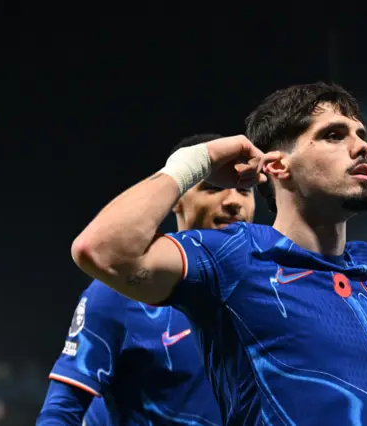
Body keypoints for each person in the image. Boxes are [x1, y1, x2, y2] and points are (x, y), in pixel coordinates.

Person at [71, 82, 367, 425]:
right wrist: (195, 161)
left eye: (361, 135)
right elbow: (102, 250)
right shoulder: (231, 256)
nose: (361, 146)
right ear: (278, 166)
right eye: (334, 135)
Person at [37, 134, 256, 425]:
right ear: (176, 200)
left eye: (244, 190)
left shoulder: (274, 289)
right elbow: (62, 412)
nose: (232, 201)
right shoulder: (121, 293)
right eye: (214, 188)